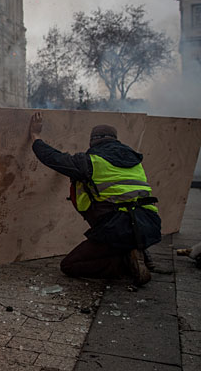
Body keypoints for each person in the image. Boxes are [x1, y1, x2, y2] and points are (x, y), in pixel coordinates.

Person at [28, 111, 161, 286]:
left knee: (70, 265)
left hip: (119, 227)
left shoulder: (91, 161)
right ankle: (137, 249)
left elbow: (54, 158)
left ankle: (126, 261)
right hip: (148, 224)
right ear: (115, 140)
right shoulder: (134, 162)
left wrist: (35, 136)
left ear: (92, 141)